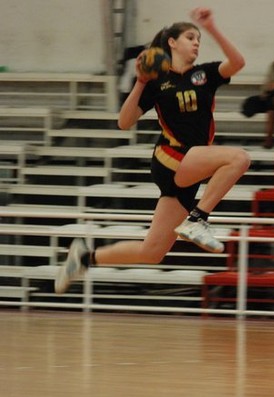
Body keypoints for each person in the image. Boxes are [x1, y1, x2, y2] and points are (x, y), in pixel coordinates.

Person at [55, 7, 250, 294]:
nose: (196, 42)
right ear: (172, 42)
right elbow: (124, 122)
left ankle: (84, 257)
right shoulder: (157, 79)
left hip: (190, 166)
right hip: (172, 156)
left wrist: (211, 27)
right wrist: (141, 82)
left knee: (152, 252)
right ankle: (198, 220)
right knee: (239, 158)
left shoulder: (205, 74)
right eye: (190, 37)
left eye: (198, 39)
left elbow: (237, 62)